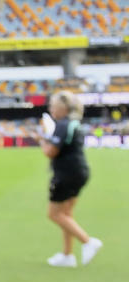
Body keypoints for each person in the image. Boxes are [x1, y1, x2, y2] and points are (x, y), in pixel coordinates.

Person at [39, 90, 101, 267]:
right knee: (66, 214)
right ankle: (67, 256)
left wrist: (43, 139)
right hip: (79, 172)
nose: (50, 108)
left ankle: (87, 242)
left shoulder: (63, 125)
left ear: (62, 107)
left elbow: (51, 152)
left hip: (67, 174)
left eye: (53, 105)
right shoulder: (72, 123)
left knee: (54, 214)